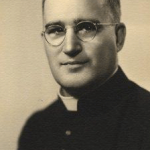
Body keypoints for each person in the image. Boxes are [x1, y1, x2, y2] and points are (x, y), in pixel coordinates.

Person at [18, 0, 150, 149]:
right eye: (56, 30)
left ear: (118, 37)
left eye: (86, 28)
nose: (69, 47)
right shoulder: (35, 129)